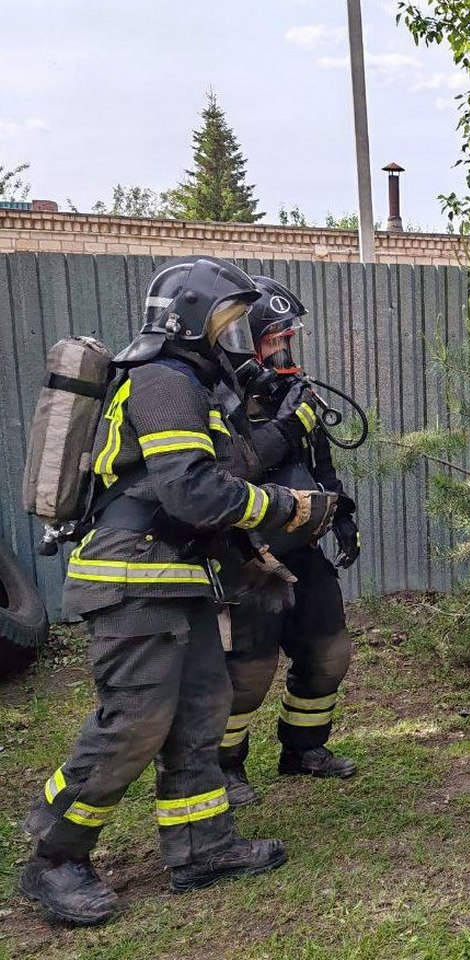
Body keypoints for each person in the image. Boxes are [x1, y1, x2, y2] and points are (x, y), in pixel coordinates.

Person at [20, 256, 339, 927]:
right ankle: (54, 854)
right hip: (133, 578)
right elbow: (192, 492)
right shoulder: (162, 380)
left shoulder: (193, 386)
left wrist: (256, 557)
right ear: (190, 319)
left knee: (199, 712)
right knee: (136, 720)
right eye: (226, 323)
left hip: (177, 578)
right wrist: (287, 508)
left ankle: (204, 847)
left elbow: (216, 484)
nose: (235, 339)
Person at [220, 277, 361, 807]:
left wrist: (342, 512)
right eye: (272, 338)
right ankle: (225, 768)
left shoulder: (294, 392)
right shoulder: (214, 397)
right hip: (244, 555)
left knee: (329, 652)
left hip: (303, 548)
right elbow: (231, 469)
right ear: (242, 340)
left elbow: (320, 464)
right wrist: (282, 423)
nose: (283, 349)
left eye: (288, 338)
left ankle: (303, 750)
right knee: (248, 672)